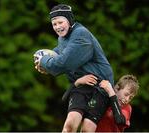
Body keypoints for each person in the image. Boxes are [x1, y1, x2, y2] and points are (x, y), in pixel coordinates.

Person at [34, 4, 114, 132]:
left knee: (87, 129)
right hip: (81, 86)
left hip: (100, 87)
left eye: (60, 22)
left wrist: (43, 60)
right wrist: (45, 62)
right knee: (69, 126)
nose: (58, 27)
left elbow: (62, 64)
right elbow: (58, 55)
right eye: (54, 24)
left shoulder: (80, 34)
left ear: (70, 20)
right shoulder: (62, 38)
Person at [73, 74, 139, 132]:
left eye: (130, 97)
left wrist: (111, 92)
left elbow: (119, 120)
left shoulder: (127, 108)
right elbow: (74, 105)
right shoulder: (101, 98)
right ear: (116, 88)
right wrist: (78, 82)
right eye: (126, 94)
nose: (127, 99)